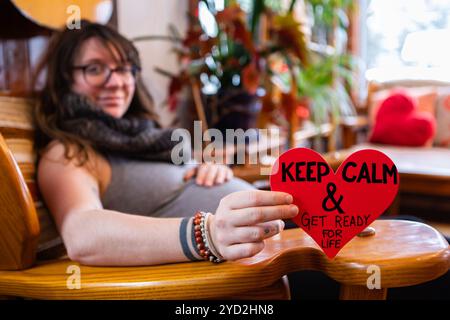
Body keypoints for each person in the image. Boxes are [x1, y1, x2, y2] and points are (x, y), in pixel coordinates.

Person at [34, 21, 299, 267]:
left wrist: (206, 170)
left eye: (125, 68)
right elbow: (83, 235)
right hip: (249, 266)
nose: (116, 82)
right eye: (94, 69)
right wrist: (208, 234)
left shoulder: (143, 139)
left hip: (274, 242)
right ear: (65, 79)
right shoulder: (68, 153)